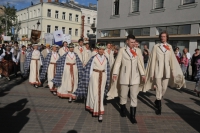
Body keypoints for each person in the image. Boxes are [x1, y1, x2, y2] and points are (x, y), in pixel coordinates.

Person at [144, 31, 185, 115]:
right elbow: (152, 60)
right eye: (161, 36)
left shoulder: (169, 47)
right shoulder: (156, 47)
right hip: (158, 70)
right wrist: (152, 73)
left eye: (164, 36)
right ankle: (159, 105)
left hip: (167, 70)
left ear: (167, 38)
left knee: (164, 88)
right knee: (158, 87)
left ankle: (157, 99)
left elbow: (172, 60)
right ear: (160, 37)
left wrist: (173, 71)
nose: (163, 38)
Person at [112, 35, 145, 124]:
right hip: (124, 76)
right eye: (132, 42)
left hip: (135, 77)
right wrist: (115, 73)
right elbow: (118, 62)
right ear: (127, 42)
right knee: (123, 95)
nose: (133, 44)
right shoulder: (122, 50)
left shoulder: (138, 50)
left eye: (134, 42)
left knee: (134, 96)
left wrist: (143, 74)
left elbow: (140, 63)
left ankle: (132, 116)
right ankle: (122, 109)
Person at [74, 43, 110, 123]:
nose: (101, 51)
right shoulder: (93, 58)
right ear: (97, 50)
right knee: (94, 93)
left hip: (103, 76)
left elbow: (107, 70)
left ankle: (100, 111)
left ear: (104, 50)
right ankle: (93, 107)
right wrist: (89, 79)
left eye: (102, 49)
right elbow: (89, 69)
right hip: (94, 76)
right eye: (99, 49)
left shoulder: (106, 59)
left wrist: (107, 80)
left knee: (100, 94)